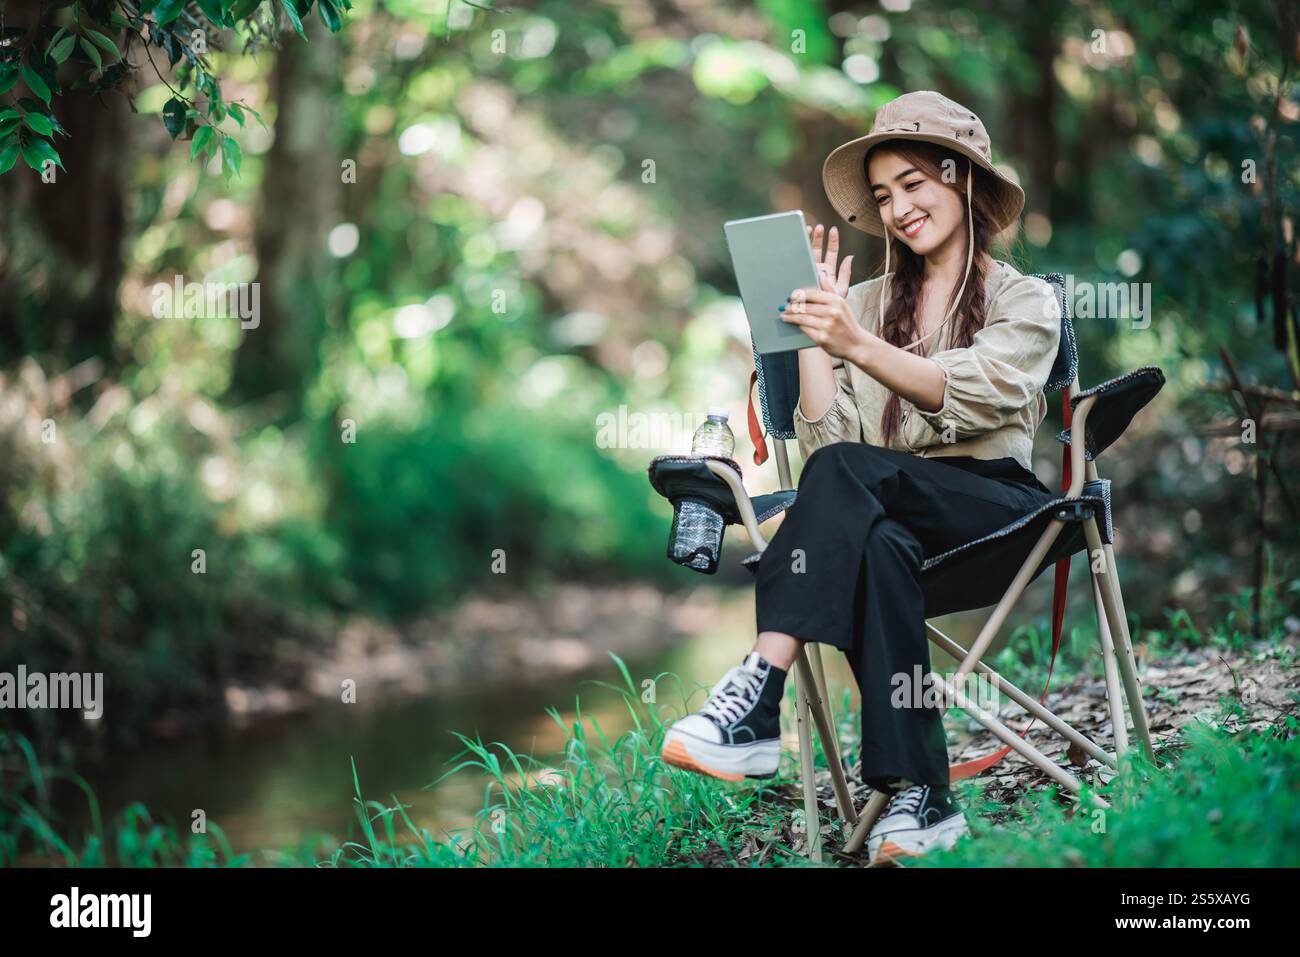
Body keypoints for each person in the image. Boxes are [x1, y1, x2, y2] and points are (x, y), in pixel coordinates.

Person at [660, 90, 1063, 862]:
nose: (900, 208)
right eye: (884, 196)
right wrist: (817, 332)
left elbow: (971, 391)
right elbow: (830, 453)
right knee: (871, 537)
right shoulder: (866, 304)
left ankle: (755, 692)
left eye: (915, 183)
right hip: (890, 516)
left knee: (857, 484)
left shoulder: (1026, 299)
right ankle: (923, 794)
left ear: (964, 181)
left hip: (1001, 511)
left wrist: (859, 344)